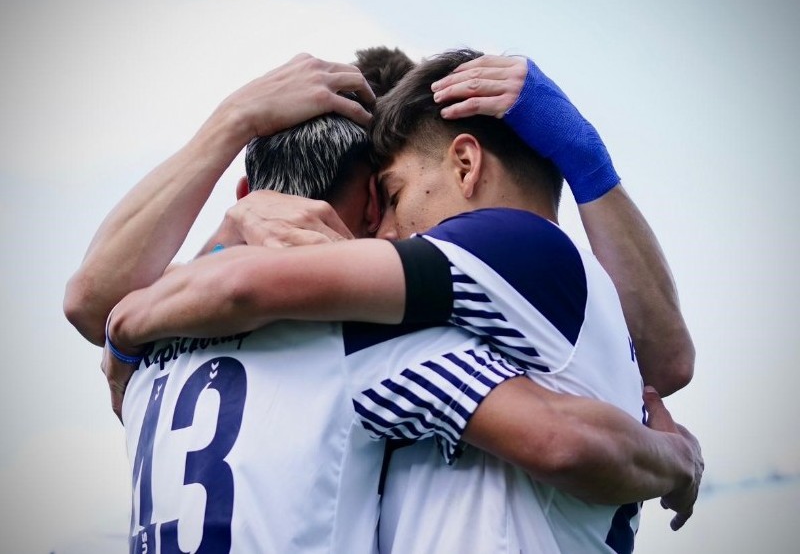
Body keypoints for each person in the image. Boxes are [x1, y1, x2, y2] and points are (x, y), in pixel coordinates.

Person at [91, 48, 701, 553]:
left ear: (466, 165)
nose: (383, 232)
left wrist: (128, 328)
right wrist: (671, 457)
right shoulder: (387, 342)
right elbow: (592, 415)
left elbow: (220, 285)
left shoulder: (511, 244)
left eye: (395, 193)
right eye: (377, 201)